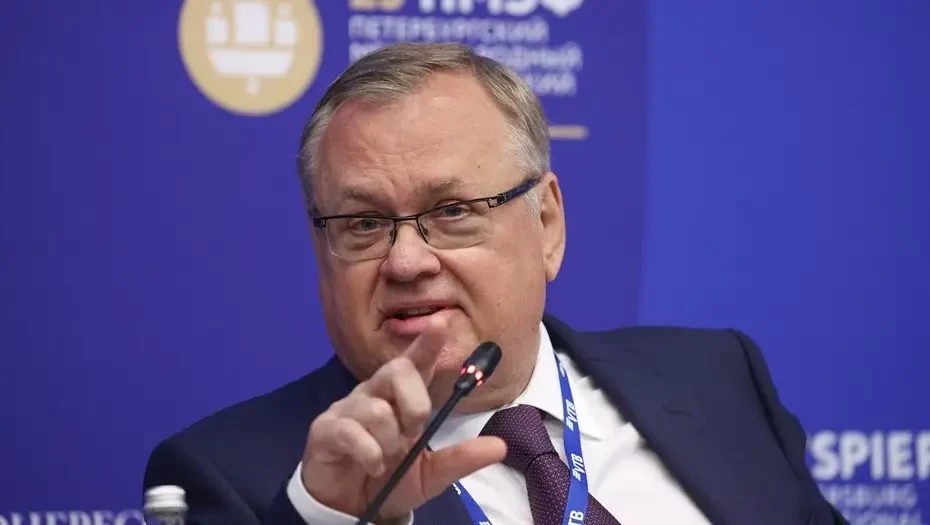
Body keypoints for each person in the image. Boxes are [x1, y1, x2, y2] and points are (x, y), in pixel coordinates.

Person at [143, 42, 847, 525]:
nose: (406, 261)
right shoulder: (234, 478)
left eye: (452, 211)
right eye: (364, 223)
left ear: (547, 223)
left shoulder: (717, 375)